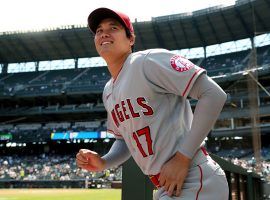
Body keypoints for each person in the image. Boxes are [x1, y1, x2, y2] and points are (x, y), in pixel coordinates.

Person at [76, 7, 229, 200]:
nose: (104, 33)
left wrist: (183, 157)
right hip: (167, 185)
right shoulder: (108, 91)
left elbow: (213, 94)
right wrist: (104, 162)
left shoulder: (146, 61)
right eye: (98, 30)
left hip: (192, 177)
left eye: (113, 28)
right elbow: (124, 141)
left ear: (131, 39)